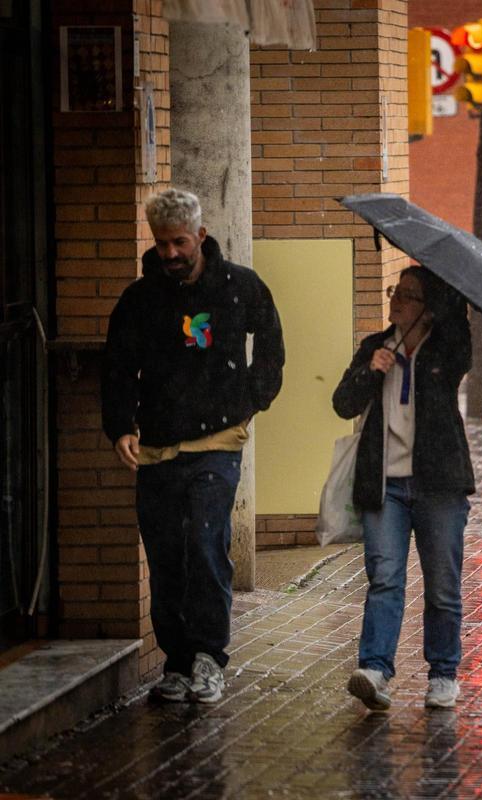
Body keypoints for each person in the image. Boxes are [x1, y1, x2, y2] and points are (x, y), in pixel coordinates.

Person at [102, 187, 285, 703]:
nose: (170, 254)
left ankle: (209, 656)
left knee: (206, 545)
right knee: (164, 556)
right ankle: (176, 663)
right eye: (162, 244)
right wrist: (120, 426)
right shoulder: (140, 300)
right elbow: (117, 367)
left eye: (179, 242)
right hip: (157, 446)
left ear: (201, 235)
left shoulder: (239, 288)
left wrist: (252, 399)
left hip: (217, 442)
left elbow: (271, 346)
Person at [333, 266, 474, 711]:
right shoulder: (375, 347)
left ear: (429, 309)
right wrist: (370, 372)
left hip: (439, 487)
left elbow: (460, 334)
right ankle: (374, 669)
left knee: (443, 585)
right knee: (385, 578)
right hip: (386, 486)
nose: (396, 301)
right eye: (396, 291)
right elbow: (342, 403)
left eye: (409, 295)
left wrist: (445, 303)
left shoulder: (446, 349)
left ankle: (443, 674)